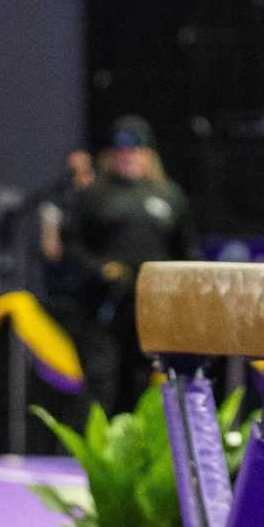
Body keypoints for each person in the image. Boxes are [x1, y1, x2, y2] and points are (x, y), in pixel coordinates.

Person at [67, 116, 202, 408]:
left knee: (141, 378)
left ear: (148, 153)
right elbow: (73, 245)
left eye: (135, 150)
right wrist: (100, 269)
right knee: (102, 377)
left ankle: (135, 448)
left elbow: (187, 249)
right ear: (111, 155)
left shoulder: (169, 194)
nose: (128, 157)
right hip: (105, 304)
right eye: (121, 150)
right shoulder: (95, 194)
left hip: (150, 303)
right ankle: (100, 449)